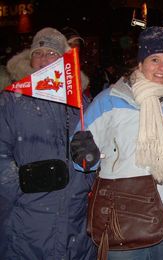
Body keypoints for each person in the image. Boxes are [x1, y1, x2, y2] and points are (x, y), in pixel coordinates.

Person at [70, 26, 163, 260]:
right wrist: (85, 155)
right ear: (141, 62)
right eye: (154, 59)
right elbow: (82, 153)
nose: (162, 68)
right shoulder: (111, 100)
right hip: (121, 213)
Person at [0, 27, 96, 259]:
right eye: (38, 53)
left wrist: (91, 162)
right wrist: (21, 188)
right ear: (30, 59)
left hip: (76, 221)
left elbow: (99, 160)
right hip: (28, 222)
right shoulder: (10, 101)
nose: (44, 58)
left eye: (51, 53)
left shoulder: (81, 103)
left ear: (63, 61)